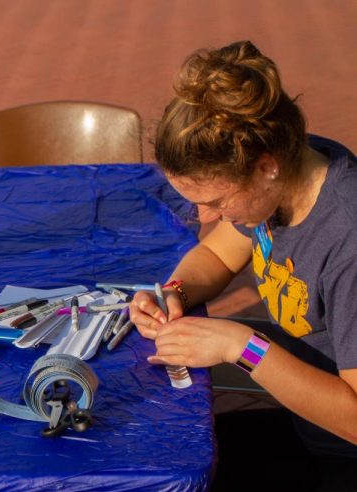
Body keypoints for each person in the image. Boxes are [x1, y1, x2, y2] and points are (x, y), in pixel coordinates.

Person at [129, 40, 357, 490]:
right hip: (305, 430)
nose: (207, 218)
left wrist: (243, 347)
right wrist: (174, 291)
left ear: (265, 167)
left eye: (215, 202)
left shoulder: (348, 240)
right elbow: (216, 254)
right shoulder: (289, 172)